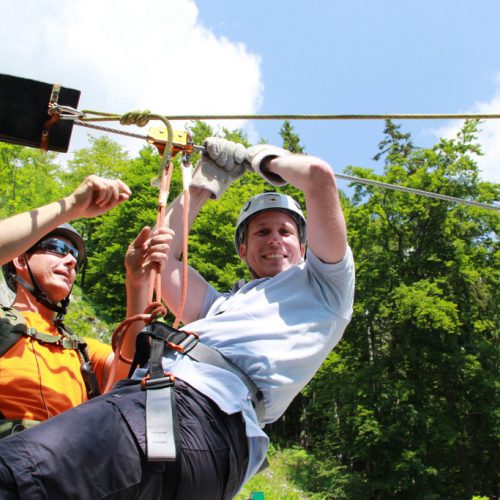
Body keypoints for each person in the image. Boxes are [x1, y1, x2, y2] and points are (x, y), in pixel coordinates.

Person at [0, 139, 355, 500]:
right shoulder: (221, 307)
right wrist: (205, 182)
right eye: (262, 232)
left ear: (305, 248)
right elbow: (161, 259)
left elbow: (319, 177)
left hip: (182, 412)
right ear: (244, 251)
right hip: (212, 455)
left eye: (285, 232)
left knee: (13, 476)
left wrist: (255, 157)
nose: (274, 240)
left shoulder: (325, 287)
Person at [0, 175, 173, 437]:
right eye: (57, 248)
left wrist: (136, 284)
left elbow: (127, 368)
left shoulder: (81, 351)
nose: (70, 260)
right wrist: (71, 206)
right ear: (20, 261)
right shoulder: (3, 323)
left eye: (76, 257)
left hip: (68, 468)